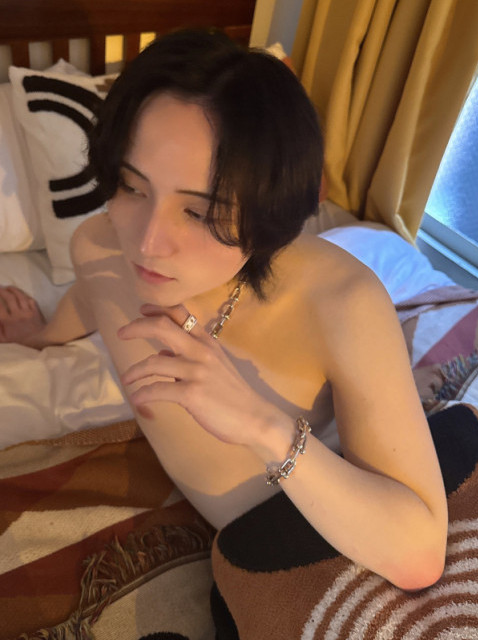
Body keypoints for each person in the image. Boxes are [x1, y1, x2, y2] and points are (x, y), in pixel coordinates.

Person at [0, 29, 447, 591]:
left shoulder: (342, 304)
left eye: (199, 213)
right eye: (133, 187)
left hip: (337, 551)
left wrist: (261, 425)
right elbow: (92, 297)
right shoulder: (98, 246)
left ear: (269, 213)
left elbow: (420, 555)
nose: (147, 244)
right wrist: (38, 337)